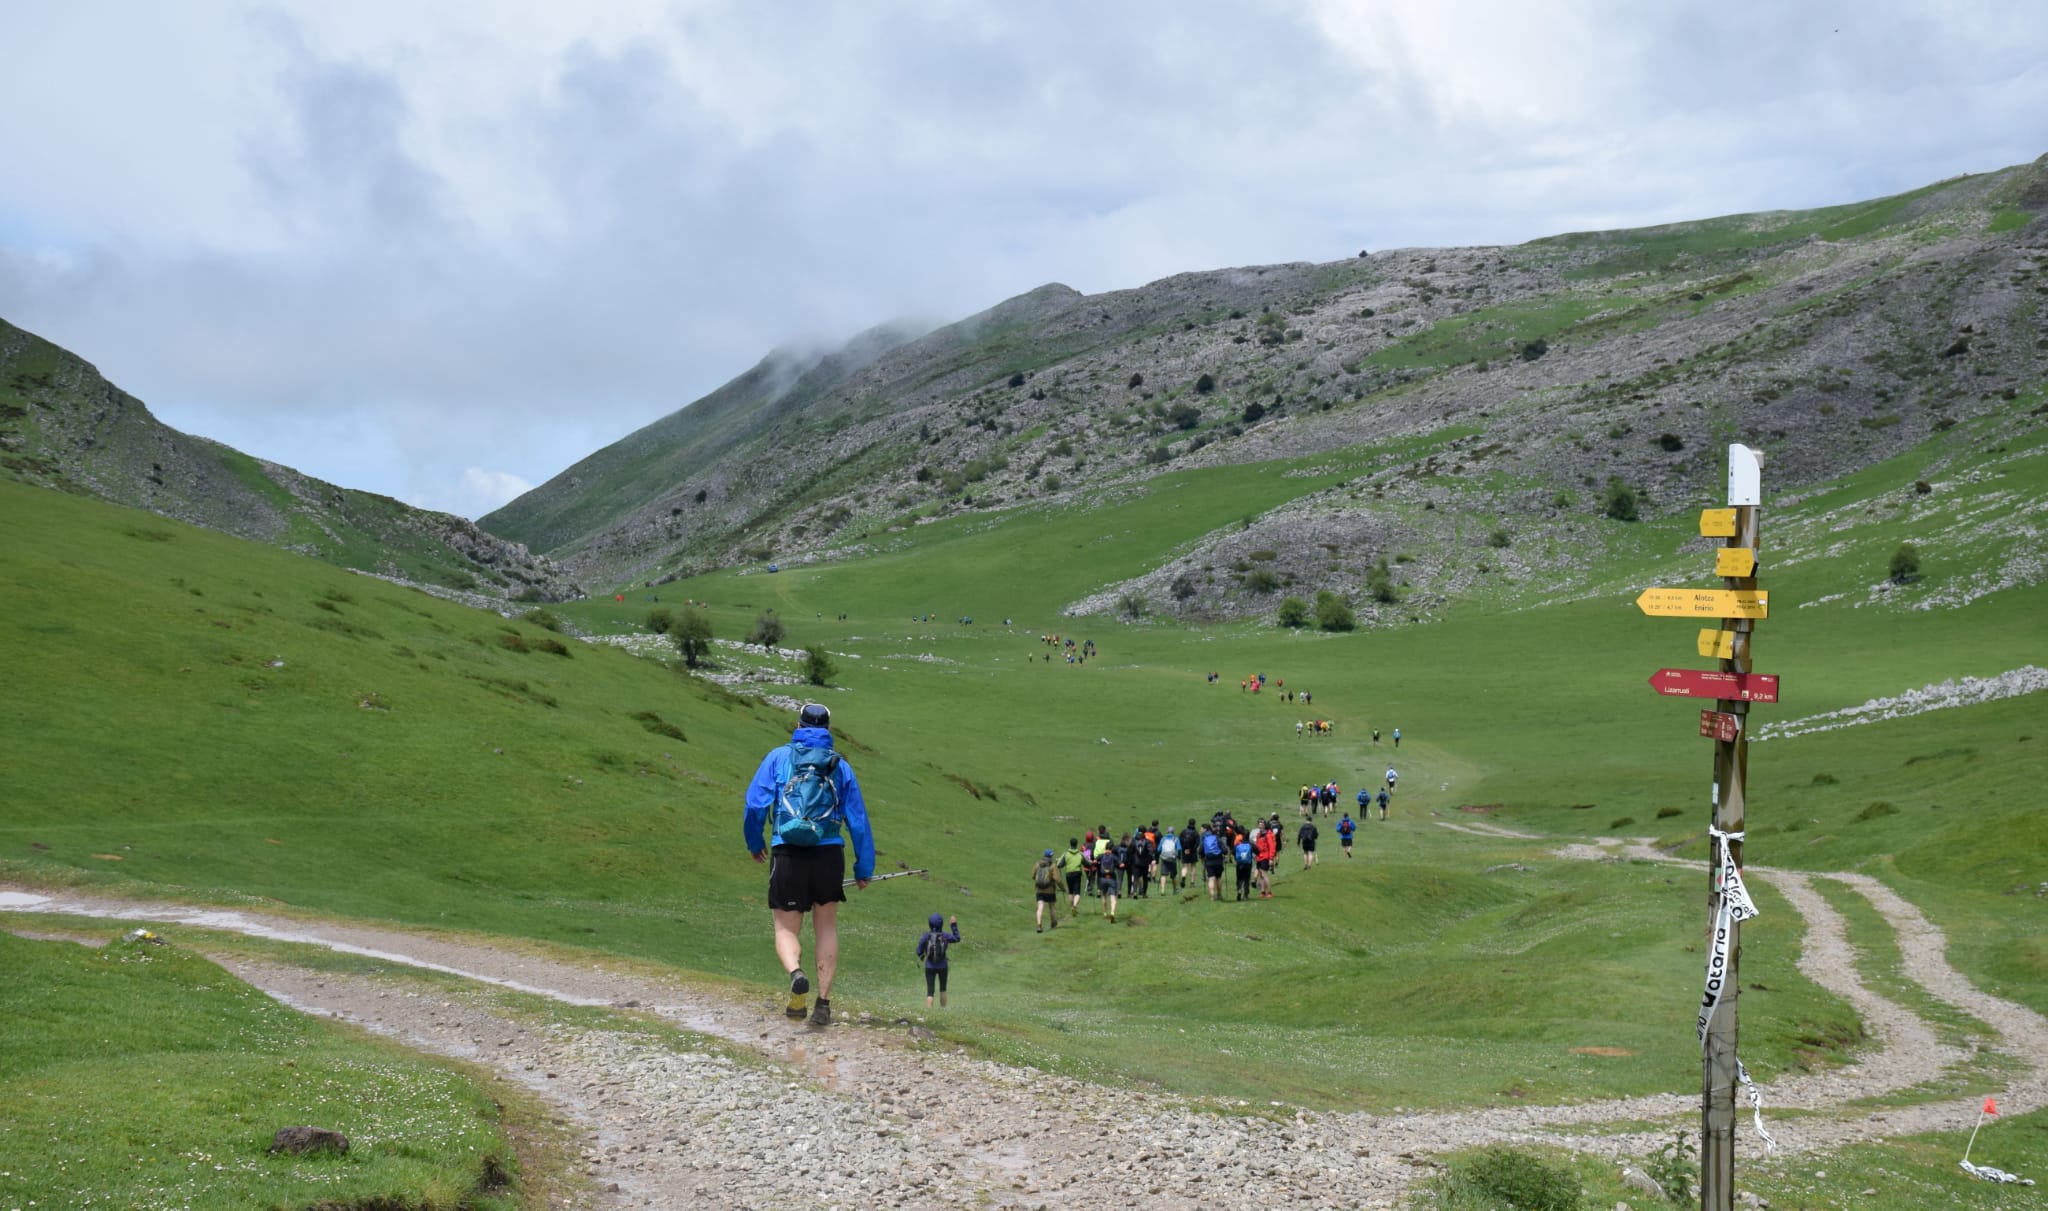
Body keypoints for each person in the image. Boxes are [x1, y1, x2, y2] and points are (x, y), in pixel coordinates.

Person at [743, 702, 875, 1026]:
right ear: (828, 729)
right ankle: (823, 1004)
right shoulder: (839, 766)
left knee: (786, 927)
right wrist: (864, 867)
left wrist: (755, 842)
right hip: (829, 852)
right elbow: (858, 820)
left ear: (798, 725)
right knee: (826, 926)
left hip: (787, 850)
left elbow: (754, 803)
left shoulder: (778, 758)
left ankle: (796, 973)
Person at [917, 913, 961, 1008]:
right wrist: (953, 925)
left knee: (930, 992)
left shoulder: (926, 936)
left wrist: (922, 957)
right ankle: (943, 1009)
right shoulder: (944, 935)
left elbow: (919, 950)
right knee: (943, 989)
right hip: (943, 966)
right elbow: (957, 938)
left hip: (929, 966)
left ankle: (929, 1012)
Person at [1031, 849, 1061, 932]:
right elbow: (1057, 879)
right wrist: (1063, 888)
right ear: (1051, 856)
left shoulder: (1037, 864)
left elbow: (1033, 876)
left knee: (1040, 907)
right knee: (1052, 907)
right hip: (1050, 890)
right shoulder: (1053, 865)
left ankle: (1039, 925)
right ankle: (1053, 923)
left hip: (1039, 890)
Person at [1058, 837, 1087, 919]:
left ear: (1070, 844)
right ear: (1076, 844)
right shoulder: (1080, 854)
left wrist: (1058, 862)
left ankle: (1072, 908)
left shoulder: (1066, 854)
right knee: (1077, 892)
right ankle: (1075, 906)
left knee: (1070, 892)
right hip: (1077, 873)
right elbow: (1086, 862)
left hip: (1069, 873)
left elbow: (1059, 864)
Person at [1097, 840, 1122, 924]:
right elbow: (1121, 865)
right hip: (1111, 879)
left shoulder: (1101, 856)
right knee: (1113, 897)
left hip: (1102, 879)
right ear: (1112, 848)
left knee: (1103, 896)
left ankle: (1104, 913)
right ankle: (1112, 913)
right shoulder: (1114, 857)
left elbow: (1094, 861)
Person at [1200, 823, 1227, 901]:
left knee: (1211, 878)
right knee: (1218, 878)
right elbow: (1225, 850)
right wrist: (1224, 854)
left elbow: (1200, 850)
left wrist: (1202, 856)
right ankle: (1219, 894)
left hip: (1209, 861)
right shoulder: (1217, 838)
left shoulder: (1205, 839)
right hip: (1218, 861)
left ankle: (1212, 896)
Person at [1253, 824, 1278, 898]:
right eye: (1259, 826)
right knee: (1260, 875)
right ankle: (1262, 891)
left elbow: (1272, 847)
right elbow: (1257, 846)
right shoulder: (1258, 835)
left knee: (1264, 874)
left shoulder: (1268, 835)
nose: (1260, 827)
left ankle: (1269, 892)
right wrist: (1256, 855)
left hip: (1265, 857)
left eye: (1261, 826)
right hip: (1259, 857)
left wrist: (1270, 858)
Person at [1232, 831, 1256, 901]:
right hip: (1248, 864)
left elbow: (1233, 852)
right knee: (1246, 879)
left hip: (1239, 864)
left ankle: (1239, 890)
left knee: (1239, 878)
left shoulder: (1238, 845)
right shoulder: (1250, 845)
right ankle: (1245, 895)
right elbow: (1257, 850)